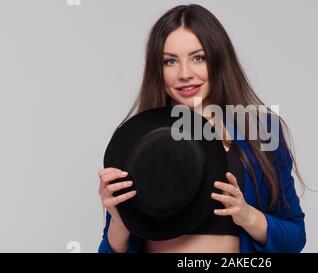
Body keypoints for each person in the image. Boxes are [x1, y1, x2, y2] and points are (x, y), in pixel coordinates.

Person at [98, 4, 306, 253]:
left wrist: (246, 215)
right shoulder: (136, 140)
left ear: (218, 60)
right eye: (170, 61)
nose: (185, 74)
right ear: (158, 69)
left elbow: (295, 238)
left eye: (198, 58)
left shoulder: (262, 130)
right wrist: (120, 220)